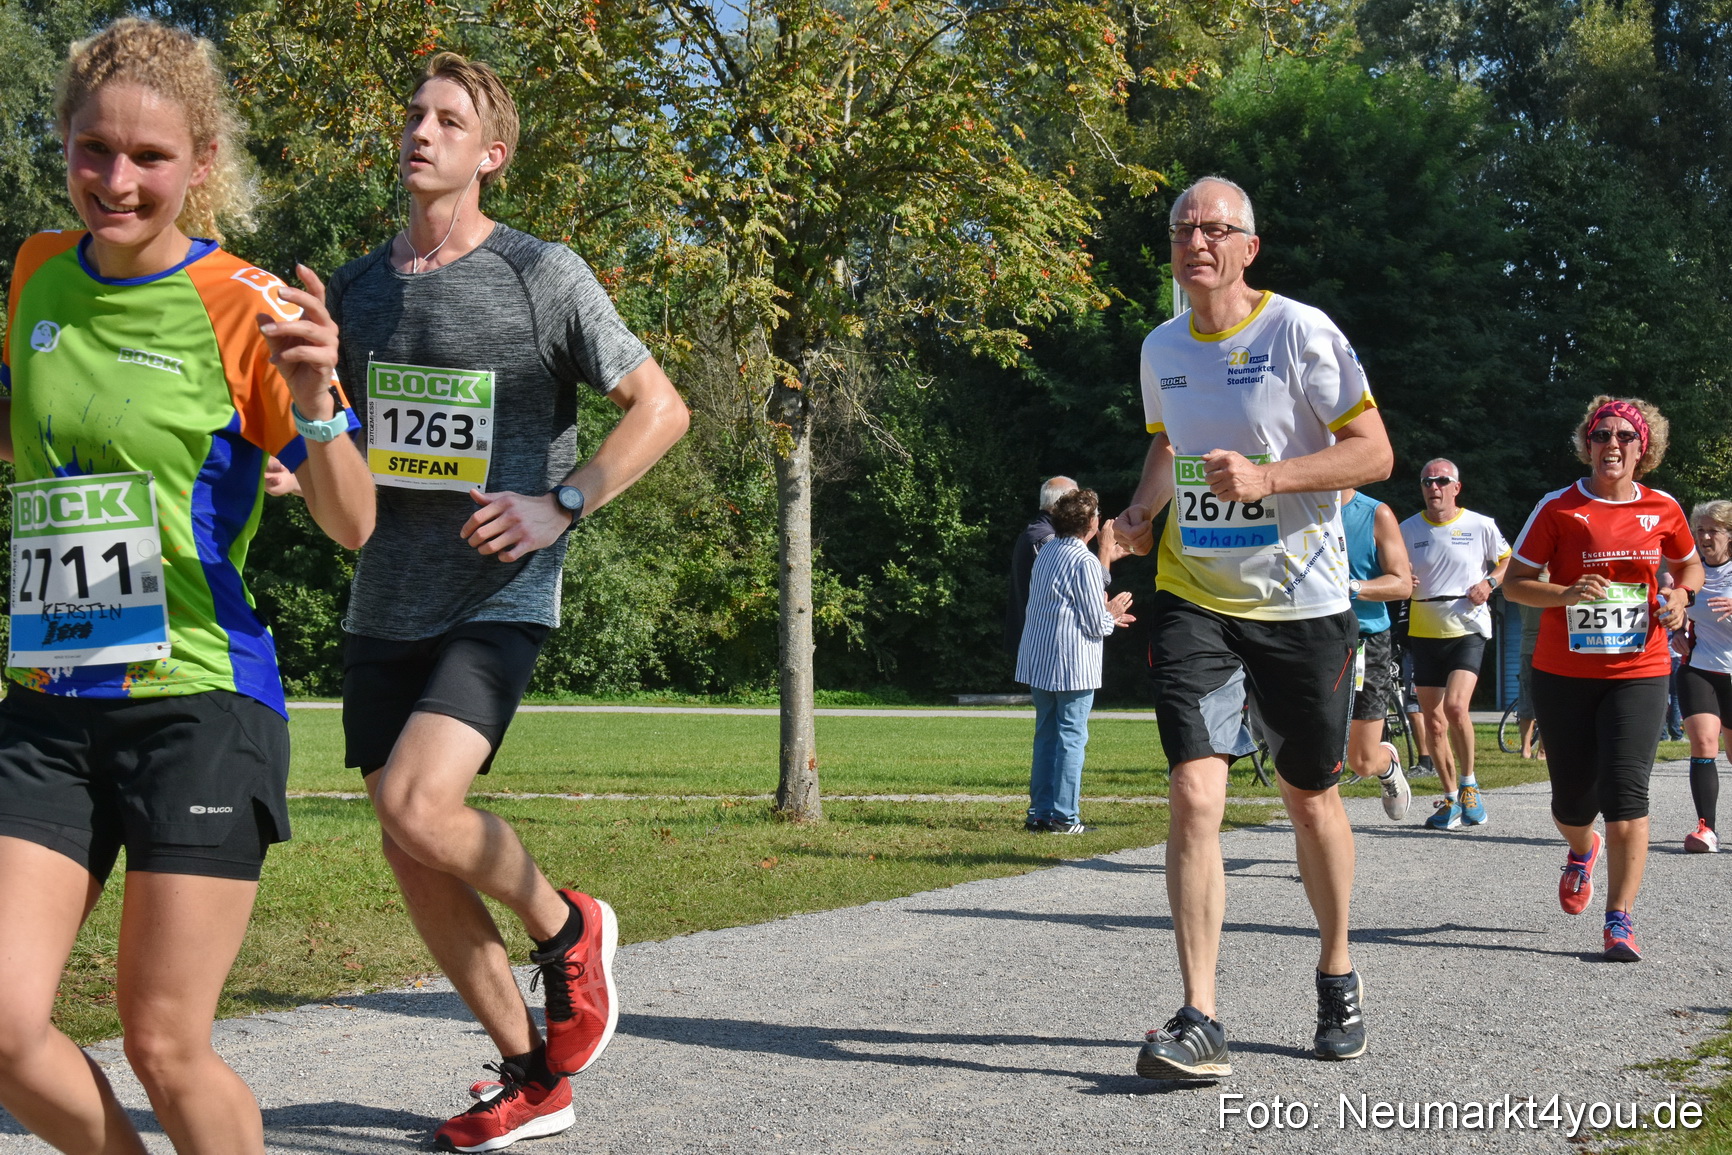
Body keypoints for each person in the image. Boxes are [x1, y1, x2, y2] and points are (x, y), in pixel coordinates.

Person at [0, 18, 374, 1153]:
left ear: (201, 162)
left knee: (164, 1043)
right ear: (63, 145)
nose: (116, 180)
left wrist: (316, 405)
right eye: (93, 150)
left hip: (200, 702)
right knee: (6, 1026)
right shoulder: (30, 274)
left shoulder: (249, 308)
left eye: (150, 158)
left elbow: (355, 522)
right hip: (49, 704)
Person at [325, 54, 689, 1150]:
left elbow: (659, 409)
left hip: (499, 592)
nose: (420, 133)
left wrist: (559, 503)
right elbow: (338, 441)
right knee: (407, 842)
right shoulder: (354, 290)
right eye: (412, 115)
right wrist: (303, 460)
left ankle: (566, 922)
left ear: (490, 155)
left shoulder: (543, 273)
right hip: (385, 598)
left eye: (448, 121)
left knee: (419, 806)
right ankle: (534, 1077)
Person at [1115, 176, 1392, 1078]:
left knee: (1311, 793)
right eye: (1182, 227)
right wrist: (1138, 516)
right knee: (1196, 791)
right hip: (1196, 595)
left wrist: (1269, 480)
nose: (1196, 239)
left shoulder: (1300, 332)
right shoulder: (1161, 347)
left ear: (1249, 246)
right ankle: (1201, 1014)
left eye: (1215, 227)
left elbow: (1374, 452)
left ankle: (1337, 967)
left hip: (1302, 606)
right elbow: (1169, 442)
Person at [1505, 396, 1700, 962]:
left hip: (1639, 670)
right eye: (1601, 434)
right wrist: (1563, 593)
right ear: (1587, 443)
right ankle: (1581, 848)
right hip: (1564, 671)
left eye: (1624, 436)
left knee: (1627, 791)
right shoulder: (1558, 507)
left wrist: (1680, 597)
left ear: (1644, 448)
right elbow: (1515, 582)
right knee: (1571, 801)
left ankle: (1619, 919)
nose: (1611, 444)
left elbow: (1689, 565)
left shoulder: (1663, 508)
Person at [1015, 489, 1134, 832]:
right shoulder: (1082, 560)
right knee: (1071, 738)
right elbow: (1095, 622)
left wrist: (1104, 561)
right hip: (1071, 664)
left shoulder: (1048, 550)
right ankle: (1065, 817)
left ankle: (1039, 813)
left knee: (1047, 737)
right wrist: (1111, 614)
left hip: (1039, 659)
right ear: (1093, 523)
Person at [1399, 460, 1510, 830]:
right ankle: (1450, 799)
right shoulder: (1407, 529)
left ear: (1456, 487)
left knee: (1457, 708)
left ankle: (1469, 786)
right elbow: (1391, 568)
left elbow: (1510, 563)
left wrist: (1489, 585)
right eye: (1427, 482)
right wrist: (1402, 577)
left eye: (1442, 481)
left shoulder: (1481, 525)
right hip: (1425, 627)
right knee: (1433, 721)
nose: (1434, 487)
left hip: (1467, 625)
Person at [1340, 488, 1413, 819]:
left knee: (1362, 760)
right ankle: (1322, 850)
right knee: (1318, 754)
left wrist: (1353, 587)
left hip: (1367, 641)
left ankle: (1386, 765)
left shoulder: (1375, 514)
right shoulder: (1299, 509)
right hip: (1314, 641)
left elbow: (1402, 584)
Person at [1675, 500, 1732, 853]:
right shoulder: (1688, 572)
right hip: (1699, 667)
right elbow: (1672, 608)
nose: (1706, 537)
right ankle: (1706, 829)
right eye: (1701, 530)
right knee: (1705, 743)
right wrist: (1676, 631)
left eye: (1714, 530)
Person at [1006, 476, 1077, 654]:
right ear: (1063, 505)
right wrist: (1105, 552)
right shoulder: (1048, 540)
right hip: (1048, 647)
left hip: (1037, 642)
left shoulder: (1035, 533)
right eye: (1077, 502)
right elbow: (1075, 590)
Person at [1515, 577, 1546, 759]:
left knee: (1526, 699)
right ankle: (1542, 751)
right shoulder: (1554, 582)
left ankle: (1525, 749)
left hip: (1527, 646)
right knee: (1549, 702)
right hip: (1550, 646)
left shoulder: (1522, 584)